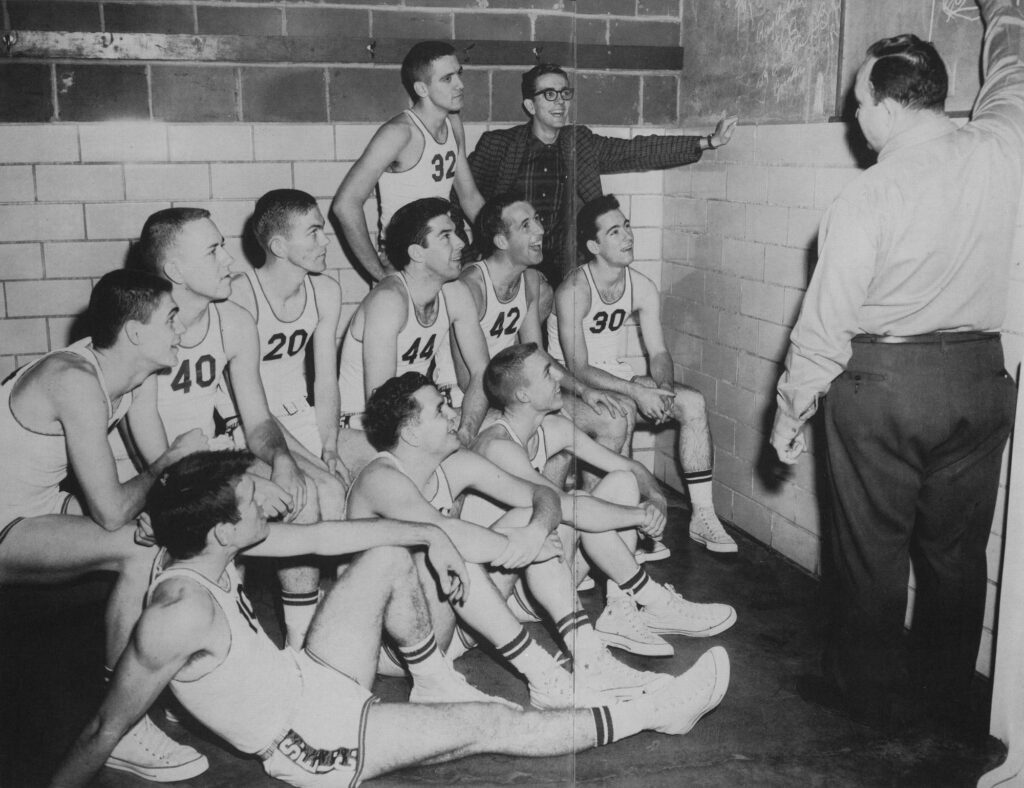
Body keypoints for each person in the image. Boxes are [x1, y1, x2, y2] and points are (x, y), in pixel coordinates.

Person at [51, 449, 730, 787]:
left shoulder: (217, 544)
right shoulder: (174, 614)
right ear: (224, 528)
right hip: (307, 738)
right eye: (254, 498)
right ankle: (654, 710)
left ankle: (432, 676)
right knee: (491, 724)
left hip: (309, 678)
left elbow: (331, 538)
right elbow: (103, 727)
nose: (272, 502)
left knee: (382, 553)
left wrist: (430, 534)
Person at [770, 0, 1020, 731]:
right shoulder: (1003, 148)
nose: (855, 118)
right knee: (956, 554)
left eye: (858, 102)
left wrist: (790, 413)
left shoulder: (868, 195)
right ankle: (946, 696)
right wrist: (1004, 14)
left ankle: (867, 696)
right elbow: (1012, 78)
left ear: (886, 106)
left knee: (869, 551)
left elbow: (825, 325)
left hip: (883, 384)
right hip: (980, 380)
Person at [348, 372, 675, 707]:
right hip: (397, 648)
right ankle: (545, 677)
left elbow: (546, 497)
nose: (453, 414)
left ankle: (591, 659)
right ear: (411, 432)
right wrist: (513, 545)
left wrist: (535, 532)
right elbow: (443, 533)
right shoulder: (381, 480)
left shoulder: (454, 464)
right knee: (452, 547)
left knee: (527, 520)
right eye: (439, 410)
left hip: (455, 629)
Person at [0, 269, 209, 781]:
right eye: (172, 319)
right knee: (136, 547)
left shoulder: (135, 374)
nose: (181, 330)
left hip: (38, 507)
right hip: (7, 524)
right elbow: (117, 506)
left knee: (159, 535)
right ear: (136, 333)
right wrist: (169, 467)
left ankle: (165, 677)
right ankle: (121, 722)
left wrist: (190, 488)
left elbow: (160, 476)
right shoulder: (74, 379)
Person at [125, 207, 329, 650]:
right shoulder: (144, 328)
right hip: (142, 474)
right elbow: (149, 446)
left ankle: (301, 646)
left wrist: (282, 462)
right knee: (222, 520)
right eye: (214, 251)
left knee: (301, 494)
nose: (229, 262)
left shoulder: (234, 322)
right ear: (175, 270)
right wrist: (167, 498)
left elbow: (257, 419)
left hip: (199, 462)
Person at [466, 343, 737, 658]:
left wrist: (655, 499)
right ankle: (653, 599)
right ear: (523, 395)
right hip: (508, 593)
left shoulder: (551, 428)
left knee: (621, 482)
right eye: (546, 373)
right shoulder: (498, 447)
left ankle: (619, 610)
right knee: (574, 505)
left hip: (547, 566)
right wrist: (638, 516)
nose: (558, 377)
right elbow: (565, 507)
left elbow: (630, 468)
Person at [550, 195, 738, 557]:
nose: (627, 237)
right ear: (594, 246)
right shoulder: (574, 290)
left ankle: (702, 516)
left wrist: (663, 390)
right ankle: (623, 532)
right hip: (573, 389)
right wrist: (637, 394)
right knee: (621, 408)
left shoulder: (641, 285)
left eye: (628, 227)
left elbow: (659, 353)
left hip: (615, 380)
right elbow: (578, 368)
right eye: (615, 231)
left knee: (693, 403)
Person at [469, 62, 737, 292]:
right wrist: (484, 245)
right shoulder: (499, 145)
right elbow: (463, 195)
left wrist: (708, 141)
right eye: (549, 94)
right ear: (530, 104)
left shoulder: (580, 141)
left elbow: (635, 151)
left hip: (564, 263)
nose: (560, 102)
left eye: (565, 93)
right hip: (511, 260)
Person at [456, 193, 631, 489]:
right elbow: (469, 379)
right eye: (526, 225)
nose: (540, 230)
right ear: (501, 241)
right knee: (552, 440)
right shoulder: (469, 286)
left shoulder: (529, 281)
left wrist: (583, 390)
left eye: (537, 219)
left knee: (612, 417)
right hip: (469, 401)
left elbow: (535, 355)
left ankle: (590, 515)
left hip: (512, 394)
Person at [337, 197, 491, 445]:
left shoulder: (455, 292)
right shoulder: (388, 301)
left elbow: (481, 371)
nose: (461, 242)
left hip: (420, 417)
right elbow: (381, 404)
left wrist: (467, 431)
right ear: (417, 253)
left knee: (518, 428)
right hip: (363, 427)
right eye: (446, 236)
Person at [332, 40, 484, 283]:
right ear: (422, 89)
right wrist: (381, 275)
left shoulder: (453, 123)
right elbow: (345, 205)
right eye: (447, 79)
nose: (460, 84)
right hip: (405, 258)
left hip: (442, 249)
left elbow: (470, 197)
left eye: (459, 74)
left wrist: (499, 243)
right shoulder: (399, 132)